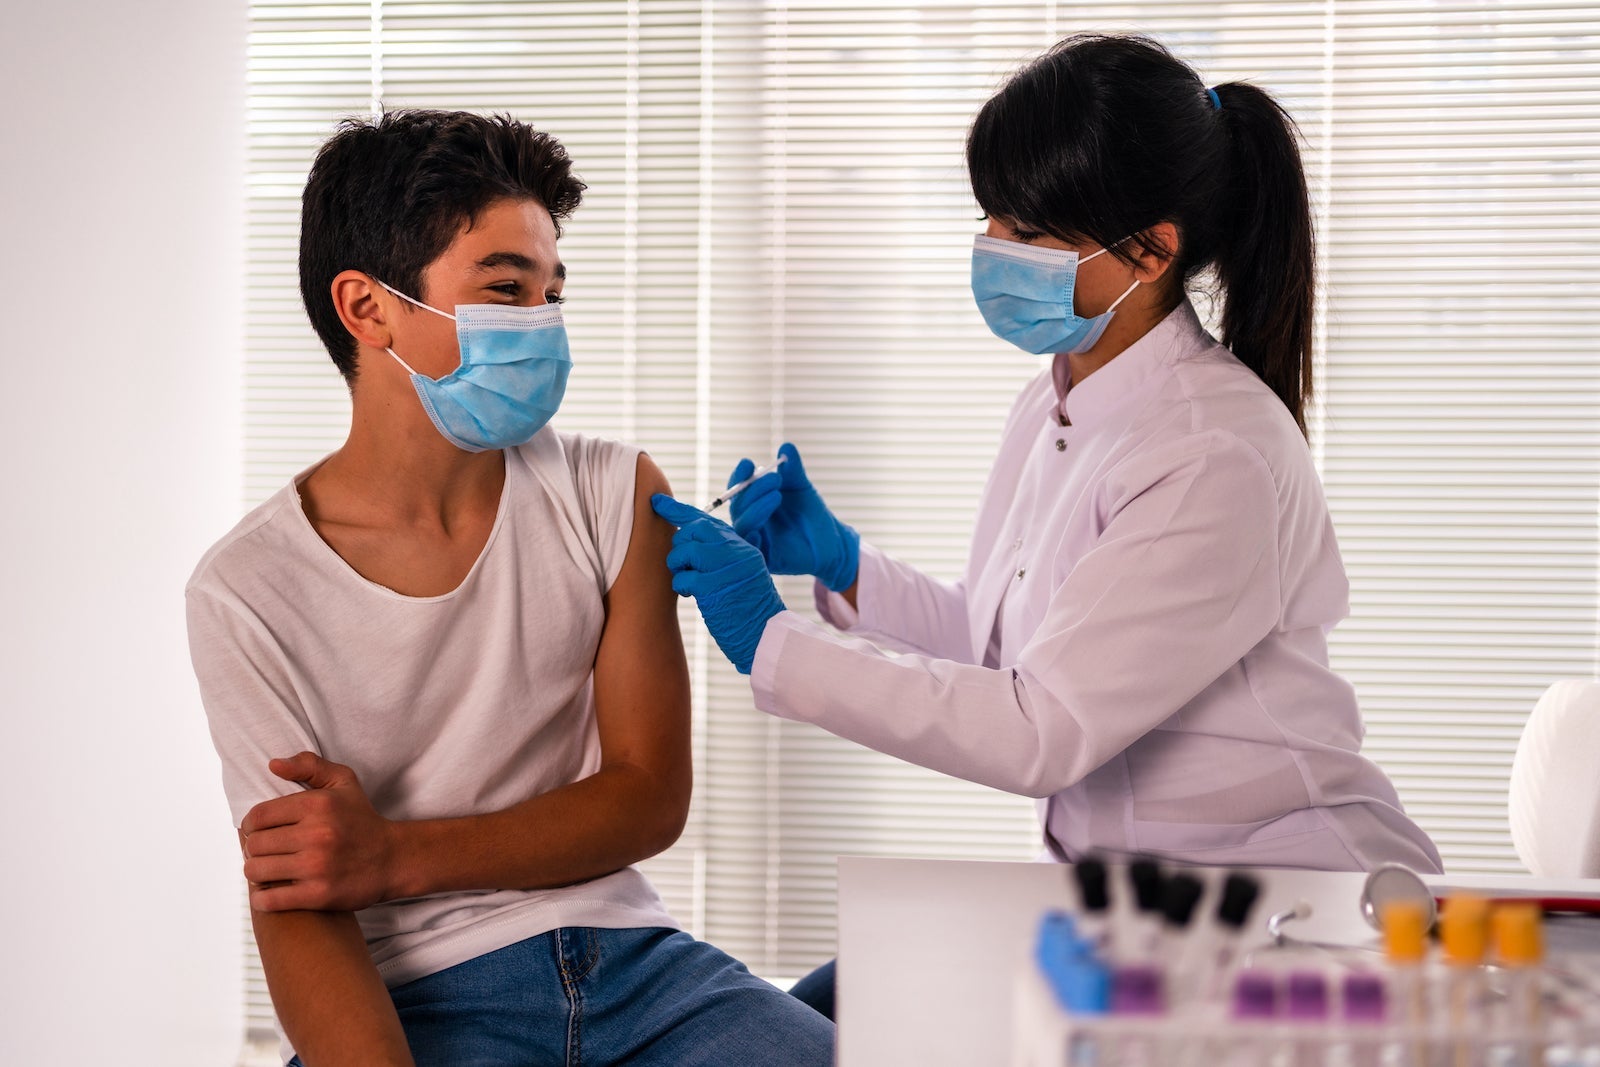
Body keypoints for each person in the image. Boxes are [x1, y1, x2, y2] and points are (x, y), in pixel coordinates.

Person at [650, 34, 1444, 1018]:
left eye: (1028, 228)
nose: (993, 248)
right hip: (1129, 897)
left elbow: (1042, 727)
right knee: (810, 1012)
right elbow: (1011, 645)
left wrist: (771, 641)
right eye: (991, 215)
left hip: (1280, 910)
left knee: (834, 1025)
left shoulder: (1211, 451)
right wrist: (846, 568)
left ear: (1150, 251)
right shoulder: (1061, 395)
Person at [186, 110, 832, 1066]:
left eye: (551, 293)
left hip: (644, 975)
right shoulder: (247, 590)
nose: (542, 326)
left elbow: (647, 797)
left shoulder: (611, 492)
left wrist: (393, 856)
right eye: (505, 292)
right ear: (369, 309)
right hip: (419, 1000)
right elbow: (301, 893)